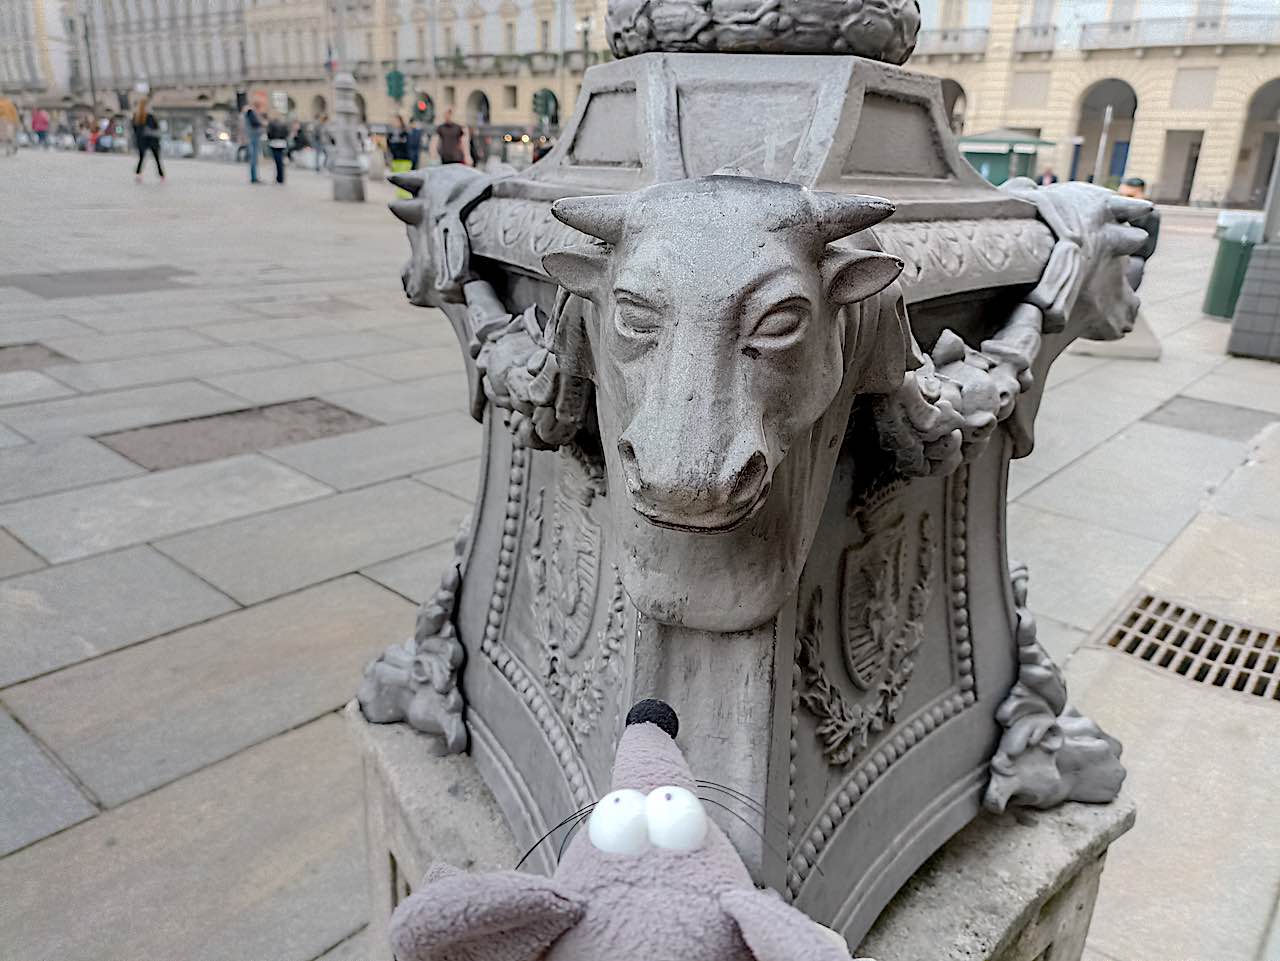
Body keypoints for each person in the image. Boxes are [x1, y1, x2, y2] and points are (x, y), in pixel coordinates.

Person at [132, 98, 163, 182]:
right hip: (152, 140)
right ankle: (161, 175)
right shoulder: (150, 116)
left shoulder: (136, 116)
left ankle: (138, 174)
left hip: (141, 141)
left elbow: (134, 130)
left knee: (141, 158)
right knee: (156, 159)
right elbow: (156, 127)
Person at [266, 112, 290, 184]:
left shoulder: (271, 123)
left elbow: (269, 133)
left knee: (277, 161)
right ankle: (281, 178)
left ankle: (279, 178)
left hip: (274, 143)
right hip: (282, 143)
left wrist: (271, 139)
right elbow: (287, 132)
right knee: (280, 161)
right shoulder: (283, 123)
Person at [243, 102, 264, 183]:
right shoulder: (251, 112)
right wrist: (262, 123)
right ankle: (254, 177)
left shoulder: (249, 113)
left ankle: (254, 177)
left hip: (252, 136)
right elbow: (255, 123)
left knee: (254, 158)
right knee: (254, 158)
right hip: (254, 137)